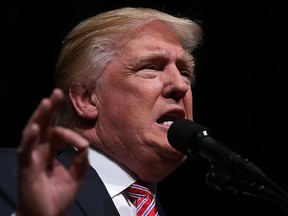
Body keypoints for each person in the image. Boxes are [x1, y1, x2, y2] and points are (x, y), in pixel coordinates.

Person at [0, 7, 203, 216]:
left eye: (184, 72)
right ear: (86, 99)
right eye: (151, 67)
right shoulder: (17, 177)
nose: (180, 85)